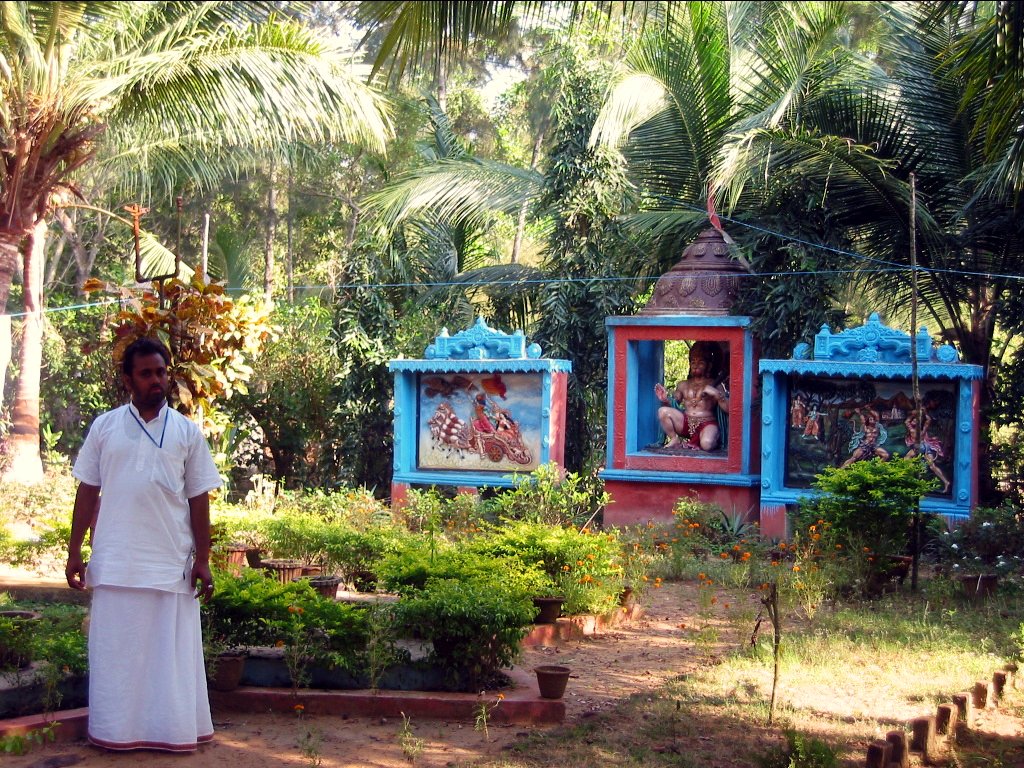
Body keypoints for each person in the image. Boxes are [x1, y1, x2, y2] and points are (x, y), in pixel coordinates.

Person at [65, 337, 222, 752]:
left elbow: (199, 498)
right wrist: (74, 551)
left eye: (161, 372)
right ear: (127, 380)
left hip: (170, 564)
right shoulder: (105, 427)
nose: (157, 380)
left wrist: (203, 558)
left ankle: (170, 732)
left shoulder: (187, 433)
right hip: (115, 562)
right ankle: (116, 733)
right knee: (116, 655)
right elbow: (87, 491)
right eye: (146, 373)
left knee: (168, 660)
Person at [653, 341, 729, 451]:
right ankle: (674, 439)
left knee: (707, 444)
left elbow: (728, 409)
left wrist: (717, 394)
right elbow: (674, 402)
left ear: (708, 366)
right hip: (686, 423)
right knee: (662, 411)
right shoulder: (683, 385)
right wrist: (665, 399)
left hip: (707, 423)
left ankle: (707, 439)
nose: (696, 365)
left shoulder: (715, 385)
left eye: (700, 362)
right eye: (693, 362)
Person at [904, 411, 951, 493]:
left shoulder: (912, 430)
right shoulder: (923, 429)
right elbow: (928, 420)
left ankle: (911, 479)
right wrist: (923, 413)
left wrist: (914, 415)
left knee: (906, 459)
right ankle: (946, 482)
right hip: (926, 447)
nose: (913, 421)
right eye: (913, 420)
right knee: (932, 466)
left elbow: (907, 422)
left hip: (920, 447)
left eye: (915, 420)